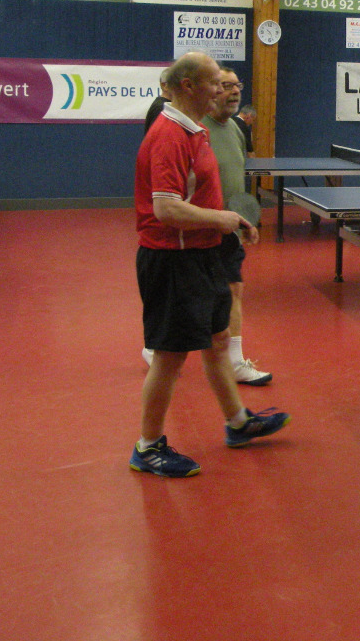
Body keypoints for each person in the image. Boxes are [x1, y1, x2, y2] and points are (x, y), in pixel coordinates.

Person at [131, 52, 289, 478]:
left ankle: (238, 423)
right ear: (188, 86)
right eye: (215, 82)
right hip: (172, 258)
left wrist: (230, 221)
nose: (223, 89)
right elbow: (166, 209)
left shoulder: (196, 128)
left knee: (219, 340)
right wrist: (221, 220)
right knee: (169, 357)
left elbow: (198, 196)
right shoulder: (170, 135)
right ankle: (147, 447)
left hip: (204, 253)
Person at [142, 69, 272, 385]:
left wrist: (241, 220)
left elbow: (232, 178)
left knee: (232, 290)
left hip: (226, 228)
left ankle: (234, 364)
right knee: (189, 301)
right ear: (210, 91)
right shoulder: (192, 128)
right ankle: (156, 348)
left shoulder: (237, 128)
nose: (233, 91)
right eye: (224, 86)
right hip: (194, 232)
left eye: (237, 85)